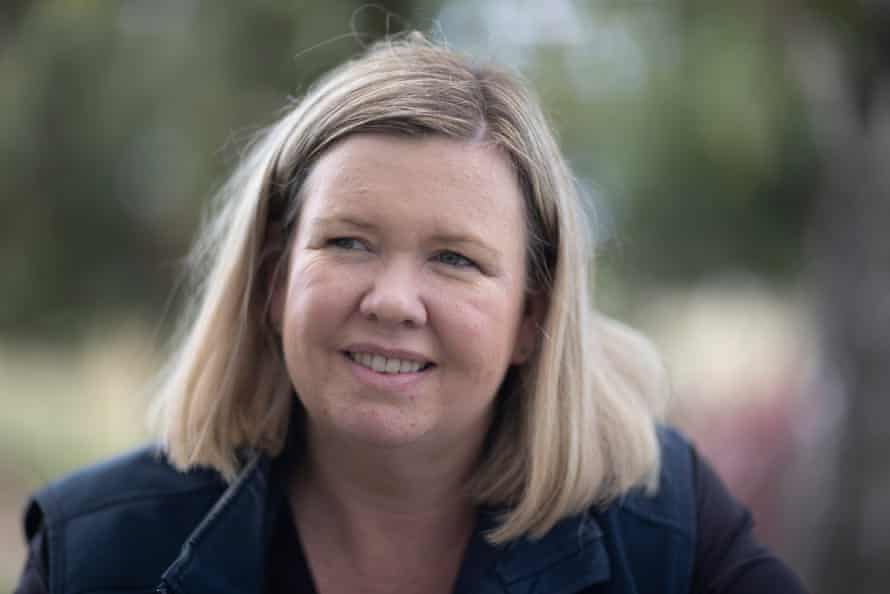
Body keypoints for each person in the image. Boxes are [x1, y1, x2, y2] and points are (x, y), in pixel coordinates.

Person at [15, 33, 807, 594]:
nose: (392, 301)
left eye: (455, 259)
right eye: (349, 241)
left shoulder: (665, 528)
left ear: (532, 318)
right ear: (273, 281)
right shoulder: (95, 550)